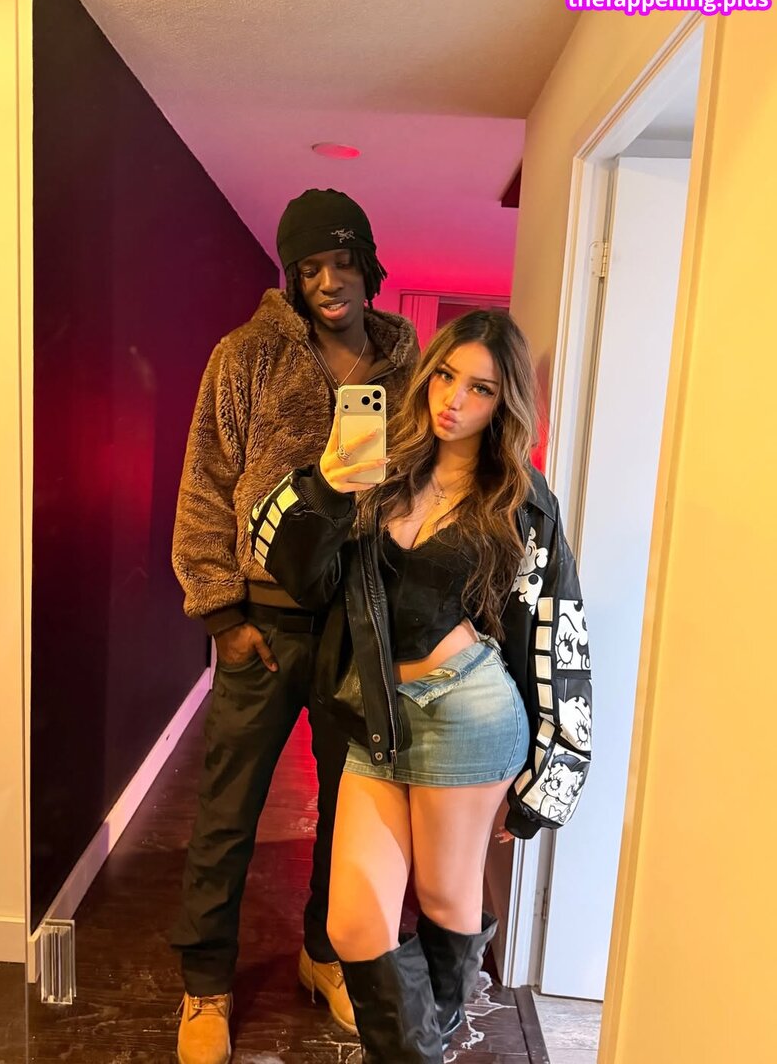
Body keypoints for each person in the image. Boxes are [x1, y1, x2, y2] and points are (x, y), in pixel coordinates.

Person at [250, 308, 592, 1061]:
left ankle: (421, 1048)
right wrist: (327, 483)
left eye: (480, 389)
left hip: (468, 711)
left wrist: (550, 771)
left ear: (503, 404)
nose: (454, 400)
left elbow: (556, 625)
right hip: (377, 716)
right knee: (352, 923)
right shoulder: (378, 467)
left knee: (443, 897)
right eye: (445, 376)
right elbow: (285, 557)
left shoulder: (521, 501)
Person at [170, 188, 419, 1064]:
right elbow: (205, 482)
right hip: (264, 628)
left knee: (350, 810)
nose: (328, 283)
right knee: (227, 814)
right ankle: (205, 985)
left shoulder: (403, 362)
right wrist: (223, 617)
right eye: (310, 268)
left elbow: (425, 481)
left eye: (343, 263)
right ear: (292, 275)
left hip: (362, 621)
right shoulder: (246, 355)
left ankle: (325, 952)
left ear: (368, 267)